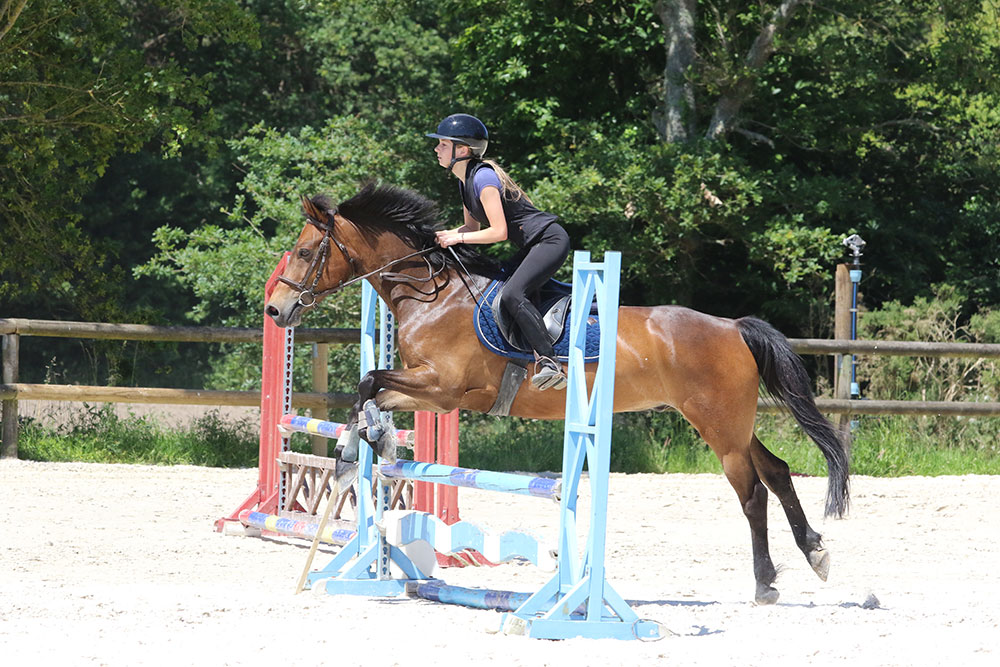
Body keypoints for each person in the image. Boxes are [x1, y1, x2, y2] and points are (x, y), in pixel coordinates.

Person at [429, 113, 569, 391]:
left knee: (513, 294)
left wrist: (458, 238)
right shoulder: (464, 181)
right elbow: (470, 227)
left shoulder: (483, 178)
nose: (436, 149)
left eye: (443, 144)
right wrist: (440, 237)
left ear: (462, 150)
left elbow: (498, 233)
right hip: (533, 245)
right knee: (497, 283)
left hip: (550, 241)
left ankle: (550, 363)